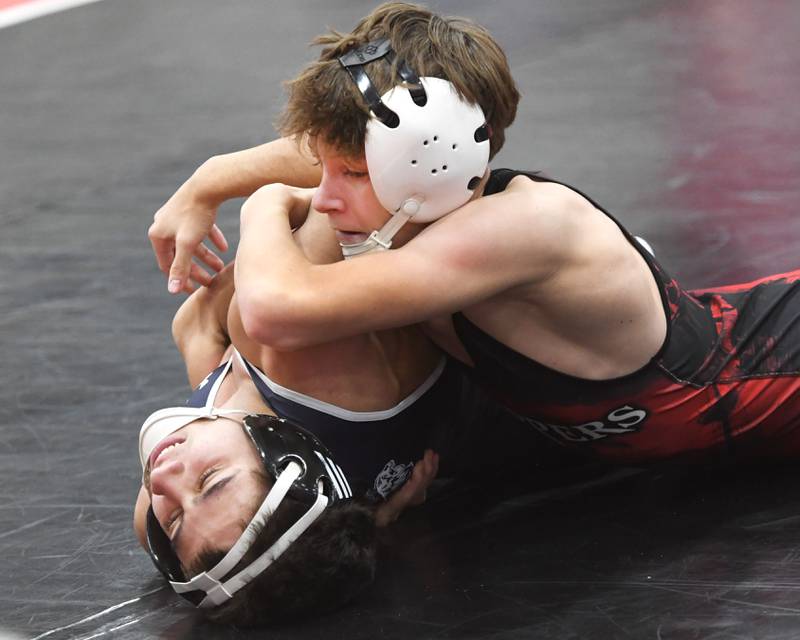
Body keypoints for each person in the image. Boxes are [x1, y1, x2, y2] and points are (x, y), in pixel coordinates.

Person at [149, 2, 800, 466]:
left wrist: (261, 201)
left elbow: (273, 311)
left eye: (347, 173)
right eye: (321, 168)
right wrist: (207, 180)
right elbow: (211, 322)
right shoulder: (429, 193)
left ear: (430, 162)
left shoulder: (520, 228)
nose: (322, 194)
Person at [137, 201, 551, 625]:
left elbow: (195, 325)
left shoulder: (159, 514)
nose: (163, 478)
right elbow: (357, 174)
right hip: (578, 385)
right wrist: (214, 187)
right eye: (210, 482)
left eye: (174, 519)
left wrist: (375, 520)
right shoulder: (300, 349)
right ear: (281, 450)